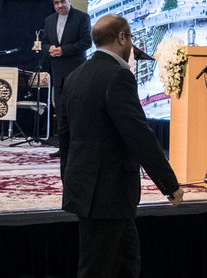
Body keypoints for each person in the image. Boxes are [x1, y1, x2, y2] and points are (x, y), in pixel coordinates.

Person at [59, 14, 184, 278]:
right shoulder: (118, 76)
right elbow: (139, 134)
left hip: (90, 192)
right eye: (131, 37)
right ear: (122, 37)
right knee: (97, 270)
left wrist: (71, 183)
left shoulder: (74, 76)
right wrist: (169, 184)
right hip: (108, 193)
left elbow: (65, 137)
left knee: (127, 265)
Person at [43, 0, 91, 157]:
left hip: (76, 73)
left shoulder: (82, 17)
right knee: (61, 113)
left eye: (63, 1)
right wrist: (50, 49)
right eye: (56, 3)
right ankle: (63, 148)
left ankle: (78, 148)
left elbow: (86, 43)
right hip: (58, 75)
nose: (60, 5)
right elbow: (44, 43)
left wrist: (63, 50)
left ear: (69, 0)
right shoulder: (49, 20)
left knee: (77, 112)